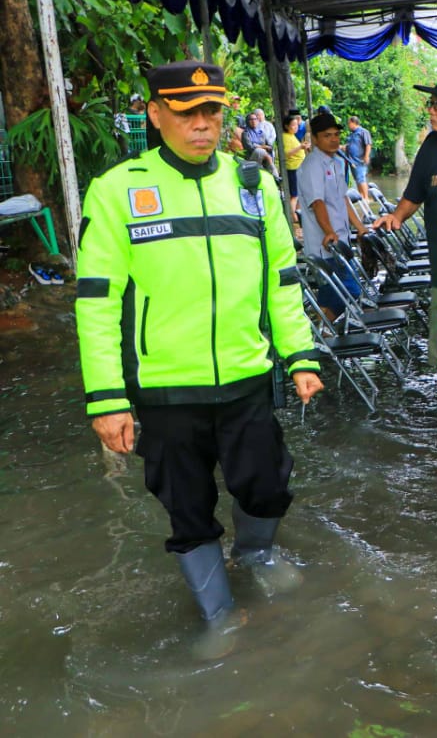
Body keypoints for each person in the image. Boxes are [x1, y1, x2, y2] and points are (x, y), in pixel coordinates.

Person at [75, 61, 323, 652]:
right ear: (155, 114)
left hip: (246, 379)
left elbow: (282, 281)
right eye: (186, 113)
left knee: (267, 485)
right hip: (166, 390)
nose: (202, 124)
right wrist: (107, 399)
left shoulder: (253, 185)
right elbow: (97, 301)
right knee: (186, 508)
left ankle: (257, 554)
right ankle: (218, 615)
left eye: (211, 111)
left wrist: (300, 356)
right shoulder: (116, 190)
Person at [372, 75, 437, 368]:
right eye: (430, 104)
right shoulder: (431, 146)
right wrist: (396, 216)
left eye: (436, 104)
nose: (430, 110)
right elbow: (414, 194)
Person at [298, 111, 369, 321]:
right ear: (315, 139)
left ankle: (322, 332)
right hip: (325, 246)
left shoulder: (336, 163)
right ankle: (318, 331)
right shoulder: (312, 165)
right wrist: (329, 232)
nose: (334, 140)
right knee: (349, 291)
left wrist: (360, 227)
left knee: (333, 297)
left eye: (336, 135)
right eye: (327, 136)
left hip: (341, 241)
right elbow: (317, 202)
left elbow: (343, 199)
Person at [281, 113, 309, 220]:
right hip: (293, 168)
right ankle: (292, 216)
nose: (296, 127)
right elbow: (286, 153)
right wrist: (300, 147)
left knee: (299, 193)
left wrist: (303, 147)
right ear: (286, 126)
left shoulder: (292, 136)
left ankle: (298, 213)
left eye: (297, 125)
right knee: (294, 194)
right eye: (293, 125)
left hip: (299, 167)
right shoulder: (285, 137)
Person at [345, 115, 373, 202]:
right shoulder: (351, 134)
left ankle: (366, 197)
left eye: (349, 123)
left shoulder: (363, 132)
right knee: (357, 179)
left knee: (361, 178)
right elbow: (349, 146)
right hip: (351, 161)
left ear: (354, 123)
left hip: (360, 160)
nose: (348, 125)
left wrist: (366, 156)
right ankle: (361, 197)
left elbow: (368, 144)